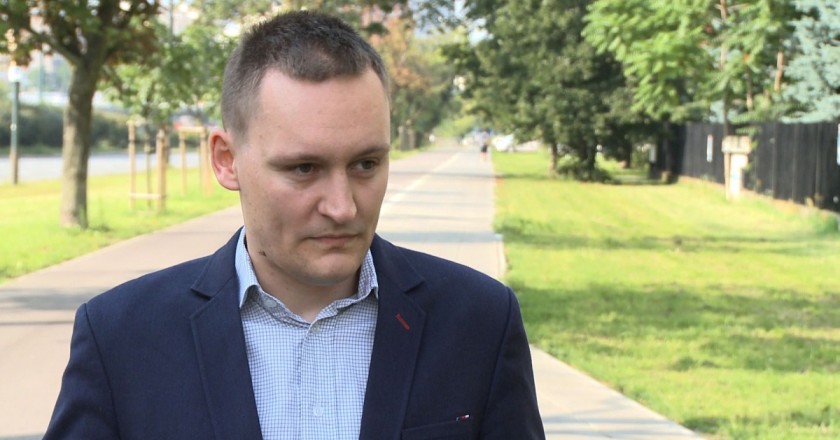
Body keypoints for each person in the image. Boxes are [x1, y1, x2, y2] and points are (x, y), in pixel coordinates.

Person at [44, 10, 544, 440]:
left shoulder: (479, 322)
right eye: (304, 168)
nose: (342, 207)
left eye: (366, 164)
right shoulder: (121, 338)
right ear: (226, 160)